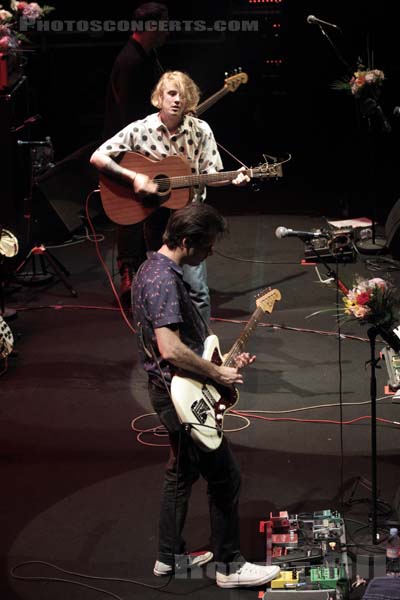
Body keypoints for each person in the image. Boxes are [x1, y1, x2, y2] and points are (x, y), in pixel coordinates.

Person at [131, 202, 281, 588]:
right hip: (179, 396)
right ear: (186, 241)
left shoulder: (151, 269)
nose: (211, 253)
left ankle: (170, 557)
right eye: (208, 246)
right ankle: (230, 566)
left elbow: (186, 346)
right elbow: (169, 348)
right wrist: (215, 371)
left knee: (180, 474)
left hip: (170, 390)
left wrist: (221, 361)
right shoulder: (164, 280)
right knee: (225, 478)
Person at [91, 70, 249, 322]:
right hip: (157, 217)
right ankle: (164, 346)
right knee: (163, 286)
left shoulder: (201, 130)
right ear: (159, 98)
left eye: (183, 96)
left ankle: (201, 348)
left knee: (197, 290)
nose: (177, 100)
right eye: (171, 94)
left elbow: (211, 173)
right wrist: (134, 178)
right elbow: (98, 156)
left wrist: (233, 178)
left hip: (191, 218)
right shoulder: (141, 129)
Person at [103, 2, 169, 302]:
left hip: (142, 146)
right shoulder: (131, 61)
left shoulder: (148, 55)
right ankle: (130, 272)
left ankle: (149, 269)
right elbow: (130, 114)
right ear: (152, 27)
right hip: (130, 149)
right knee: (130, 212)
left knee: (149, 209)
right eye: (164, 24)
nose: (167, 30)